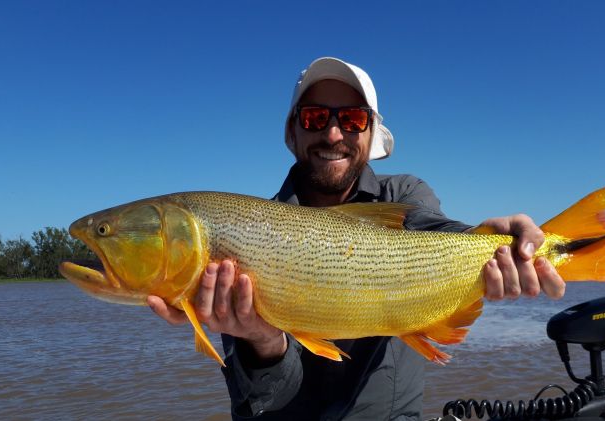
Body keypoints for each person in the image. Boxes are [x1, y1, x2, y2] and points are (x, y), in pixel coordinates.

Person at [147, 57, 565, 420]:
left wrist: (499, 240)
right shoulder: (250, 230)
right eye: (314, 117)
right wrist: (262, 337)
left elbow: (437, 231)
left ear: (370, 134)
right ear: (292, 133)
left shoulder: (404, 195)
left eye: (352, 119)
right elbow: (262, 400)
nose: (332, 134)